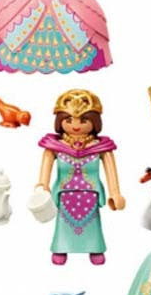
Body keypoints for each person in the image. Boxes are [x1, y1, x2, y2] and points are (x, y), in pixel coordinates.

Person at [37, 89, 125, 265]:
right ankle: (61, 246)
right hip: (65, 193)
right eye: (69, 120)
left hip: (90, 193)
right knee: (63, 223)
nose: (76, 126)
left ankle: (94, 247)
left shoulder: (101, 147)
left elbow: (111, 171)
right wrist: (42, 186)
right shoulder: (54, 146)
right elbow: (44, 171)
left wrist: (115, 193)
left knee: (92, 224)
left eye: (83, 120)